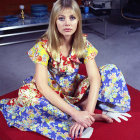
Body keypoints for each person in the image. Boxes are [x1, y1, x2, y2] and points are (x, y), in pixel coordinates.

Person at [0, 0, 131, 139]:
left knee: (110, 70)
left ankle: (84, 111)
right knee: (27, 94)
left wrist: (89, 113)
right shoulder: (43, 46)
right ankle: (71, 117)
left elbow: (94, 78)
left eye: (72, 18)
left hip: (75, 91)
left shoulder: (83, 43)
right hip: (51, 93)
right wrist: (76, 114)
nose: (67, 23)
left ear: (78, 21)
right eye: (61, 18)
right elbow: (42, 86)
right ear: (54, 22)